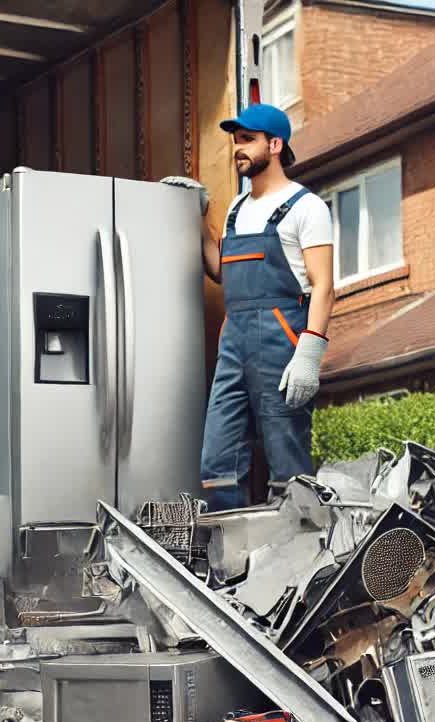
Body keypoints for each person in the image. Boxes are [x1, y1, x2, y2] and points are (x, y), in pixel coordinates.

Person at [175, 103, 335, 510]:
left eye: (247, 140)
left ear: (275, 144)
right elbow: (220, 271)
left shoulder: (306, 207)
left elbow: (324, 285)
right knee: (218, 461)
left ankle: (302, 561)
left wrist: (309, 354)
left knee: (287, 464)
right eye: (236, 141)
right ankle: (233, 565)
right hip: (236, 341)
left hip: (281, 339)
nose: (237, 149)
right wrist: (196, 214)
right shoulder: (236, 210)